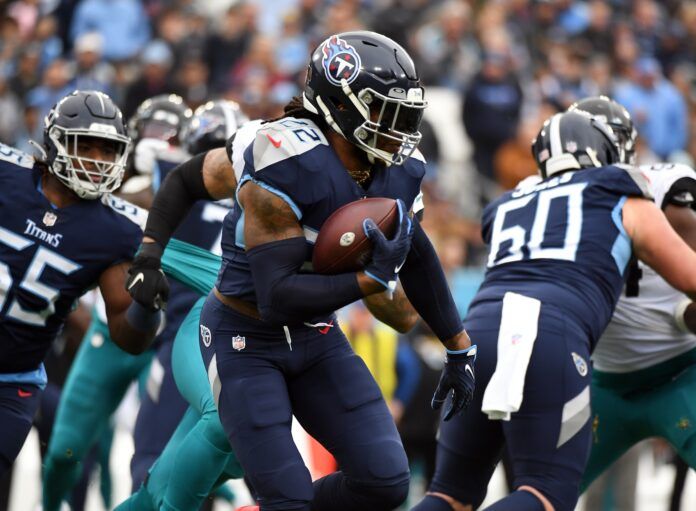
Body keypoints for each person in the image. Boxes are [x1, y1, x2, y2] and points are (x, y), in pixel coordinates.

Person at [126, 31, 476, 511]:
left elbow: (416, 252)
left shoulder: (400, 166)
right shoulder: (283, 155)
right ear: (340, 104)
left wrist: (458, 346)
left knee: (385, 482)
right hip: (244, 336)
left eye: (404, 115)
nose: (397, 129)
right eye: (383, 111)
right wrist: (149, 252)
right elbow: (275, 294)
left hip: (316, 335)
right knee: (287, 498)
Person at [411, 110, 696, 511]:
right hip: (548, 332)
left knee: (449, 494)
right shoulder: (622, 194)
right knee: (546, 493)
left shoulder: (509, 203)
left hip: (476, 333)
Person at [0, 89, 161, 476]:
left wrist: (147, 305)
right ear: (55, 142)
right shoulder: (6, 175)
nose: (98, 161)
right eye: (86, 147)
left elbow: (128, 336)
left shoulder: (117, 230)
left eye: (108, 151)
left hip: (12, 382)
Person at [567, 97, 696, 495]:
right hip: (604, 385)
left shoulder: (665, 190)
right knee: (541, 488)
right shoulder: (554, 204)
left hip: (680, 372)